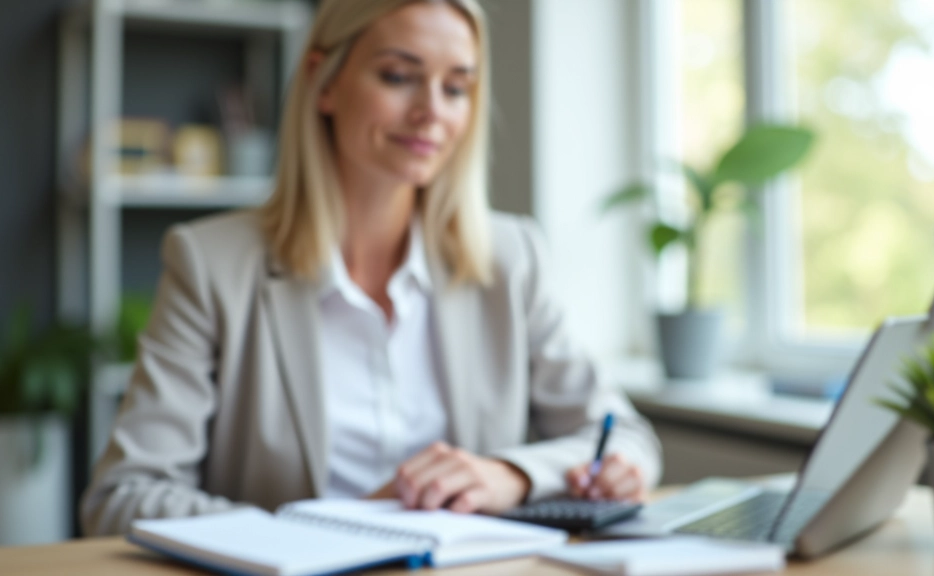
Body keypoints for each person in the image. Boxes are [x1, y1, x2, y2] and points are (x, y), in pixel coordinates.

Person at [80, 0, 661, 536]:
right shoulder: (212, 265)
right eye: (398, 76)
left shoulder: (510, 257)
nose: (432, 111)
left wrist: (510, 475)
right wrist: (337, 526)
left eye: (456, 87)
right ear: (323, 81)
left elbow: (629, 440)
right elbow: (124, 496)